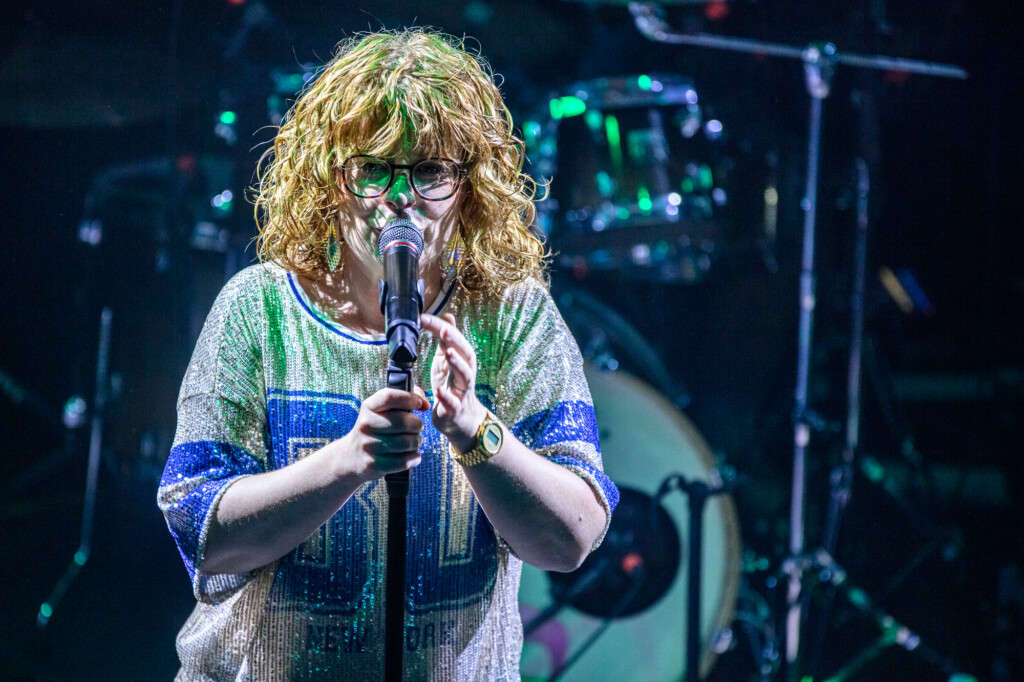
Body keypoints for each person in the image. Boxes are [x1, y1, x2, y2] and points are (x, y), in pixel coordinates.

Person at [158, 28, 618, 681]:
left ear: (470, 187)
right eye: (373, 168)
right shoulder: (257, 309)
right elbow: (202, 532)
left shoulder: (512, 315)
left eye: (430, 170)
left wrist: (474, 429)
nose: (400, 196)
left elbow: (571, 538)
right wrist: (348, 460)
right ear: (329, 179)